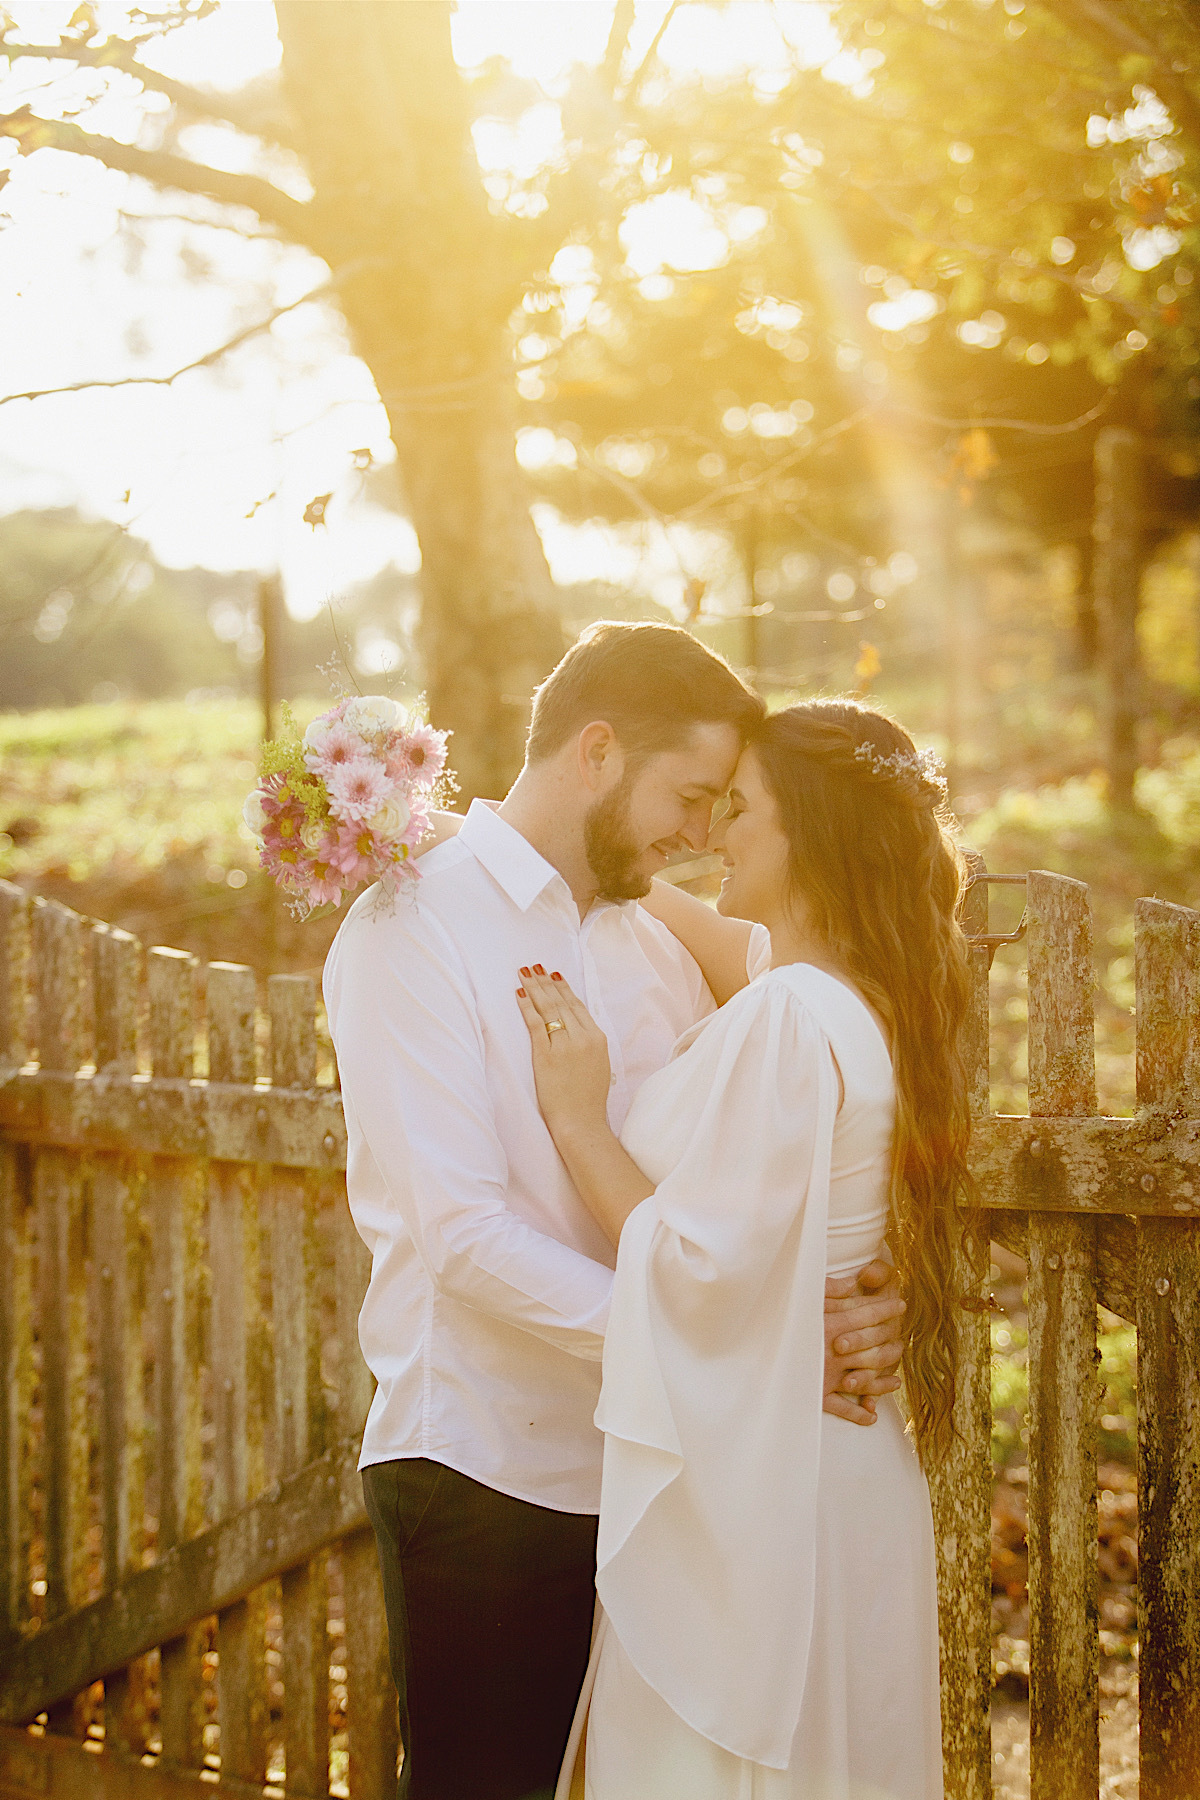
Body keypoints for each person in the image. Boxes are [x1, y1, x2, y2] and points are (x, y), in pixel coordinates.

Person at [322, 625, 907, 1800]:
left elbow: (800, 1131)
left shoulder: (652, 940)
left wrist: (869, 1298)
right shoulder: (412, 926)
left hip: (667, 1471)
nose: (701, 833)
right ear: (597, 750)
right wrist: (750, 1358)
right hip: (495, 1465)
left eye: (722, 806)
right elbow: (465, 1240)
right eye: (690, 795)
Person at [510, 699, 973, 1800]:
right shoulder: (851, 997)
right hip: (842, 1465)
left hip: (778, 1477)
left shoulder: (789, 1017)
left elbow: (697, 1267)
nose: (718, 830)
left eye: (743, 809)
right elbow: (698, 920)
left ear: (806, 833)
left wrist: (578, 1116)